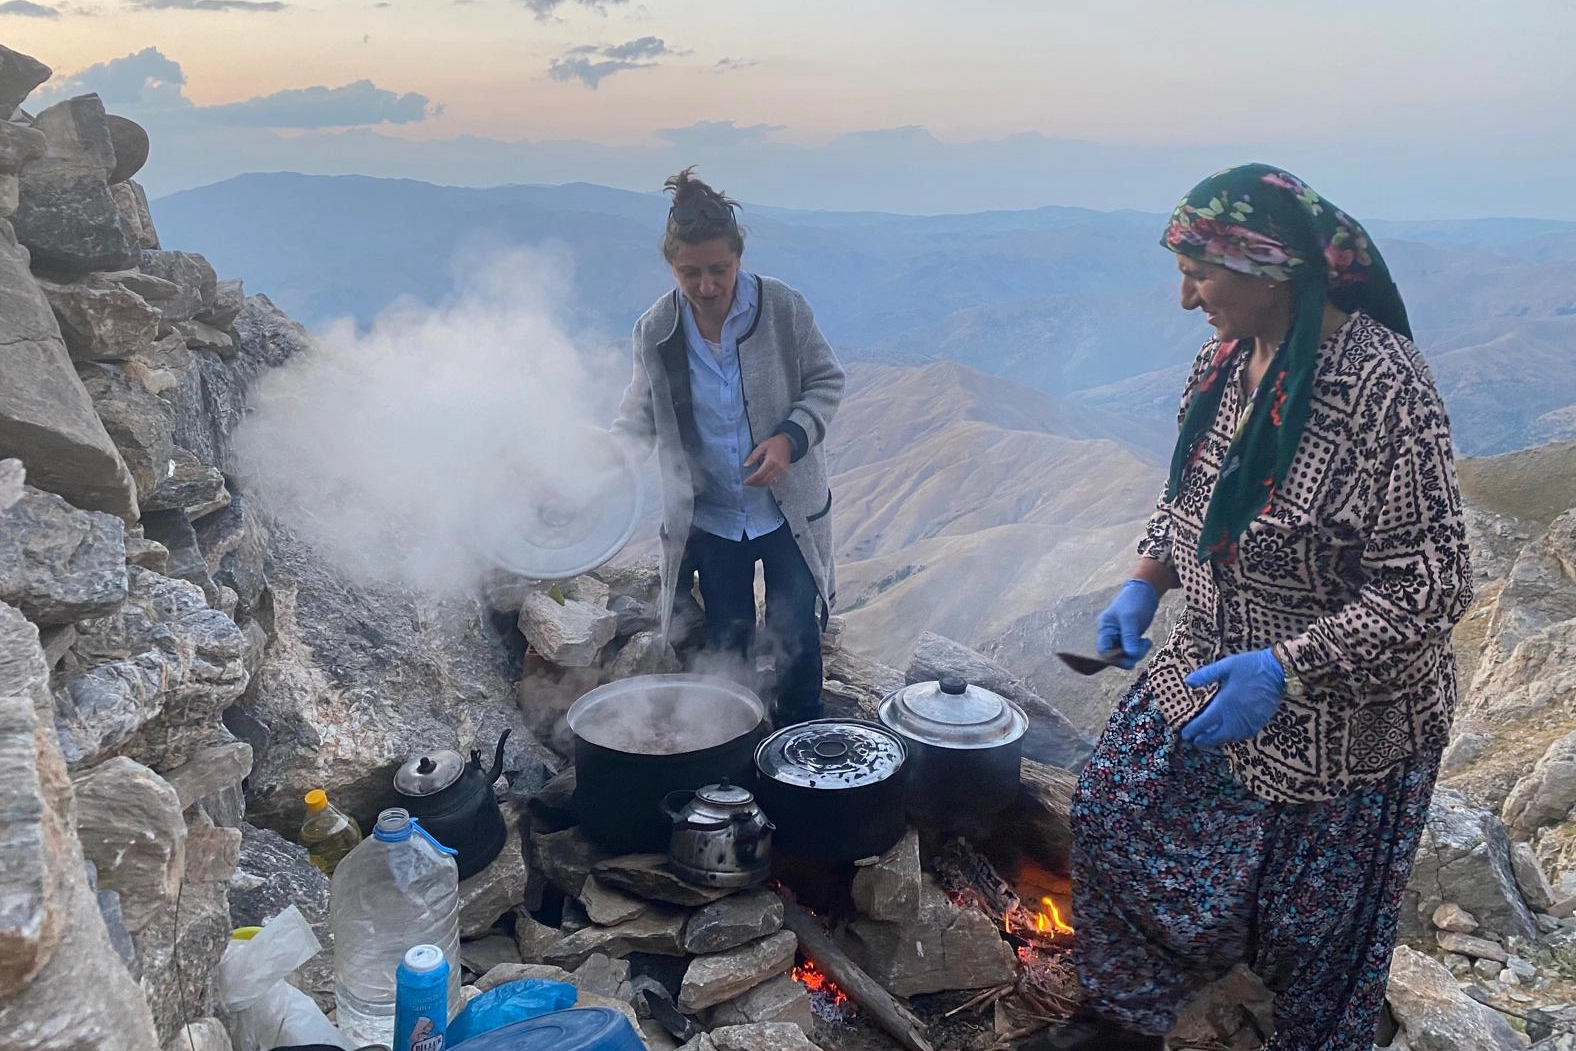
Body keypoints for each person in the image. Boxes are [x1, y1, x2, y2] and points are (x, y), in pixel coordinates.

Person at [1040, 164, 1473, 1051]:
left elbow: (1430, 584)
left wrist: (1286, 667)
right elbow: (1186, 498)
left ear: (1268, 267)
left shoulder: (1383, 388)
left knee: (1314, 930)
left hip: (1350, 719)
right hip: (1207, 664)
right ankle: (1124, 1017)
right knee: (1115, 814)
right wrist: (1145, 579)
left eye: (1200, 272)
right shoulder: (1223, 364)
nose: (1185, 297)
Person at [614, 168, 845, 725]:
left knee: (796, 634)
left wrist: (790, 439)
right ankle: (736, 748)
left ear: (739, 257)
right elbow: (639, 415)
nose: (707, 285)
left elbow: (827, 380)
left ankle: (800, 742)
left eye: (719, 269)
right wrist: (608, 457)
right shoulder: (657, 330)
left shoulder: (783, 309)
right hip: (713, 518)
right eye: (690, 272)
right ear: (671, 265)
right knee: (727, 640)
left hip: (786, 513)